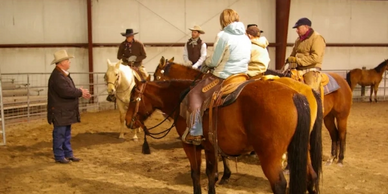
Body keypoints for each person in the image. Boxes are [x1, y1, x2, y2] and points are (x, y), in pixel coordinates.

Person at [180, 9, 251, 145]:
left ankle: (195, 132)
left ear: (223, 21)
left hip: (223, 77)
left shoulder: (223, 35)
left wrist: (206, 64)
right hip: (242, 76)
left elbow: (214, 61)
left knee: (195, 94)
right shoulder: (245, 36)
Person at [47, 50, 91, 164]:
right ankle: (59, 155)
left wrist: (80, 92)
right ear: (61, 63)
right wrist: (80, 92)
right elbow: (66, 92)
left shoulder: (61, 75)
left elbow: (69, 91)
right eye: (67, 60)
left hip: (64, 111)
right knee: (60, 134)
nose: (69, 62)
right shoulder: (58, 77)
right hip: (60, 111)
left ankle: (67, 154)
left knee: (66, 134)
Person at [286, 17, 326, 92]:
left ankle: (315, 102)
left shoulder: (317, 38)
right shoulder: (298, 40)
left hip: (311, 69)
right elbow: (293, 54)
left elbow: (315, 57)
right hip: (298, 68)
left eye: (298, 28)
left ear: (306, 27)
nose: (296, 31)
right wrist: (290, 59)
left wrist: (297, 60)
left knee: (310, 91)